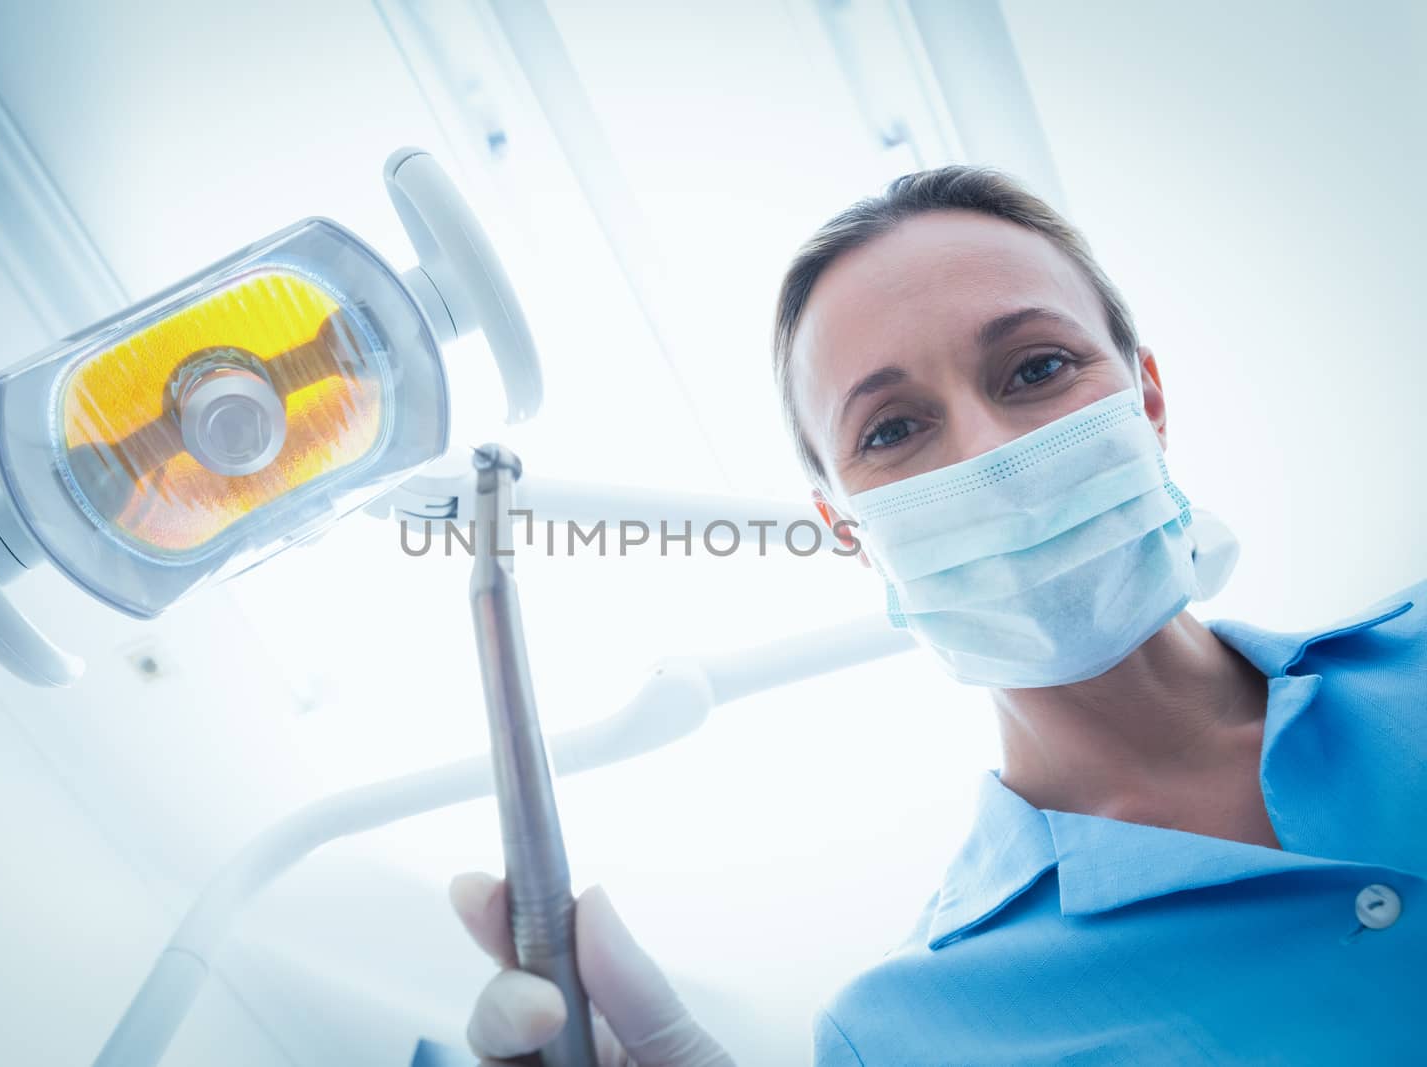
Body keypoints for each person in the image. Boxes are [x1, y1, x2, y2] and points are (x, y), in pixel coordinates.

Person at [447, 166, 1427, 1065]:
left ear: (1147, 400)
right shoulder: (903, 1033)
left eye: (1036, 368)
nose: (983, 454)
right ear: (853, 530)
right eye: (893, 429)